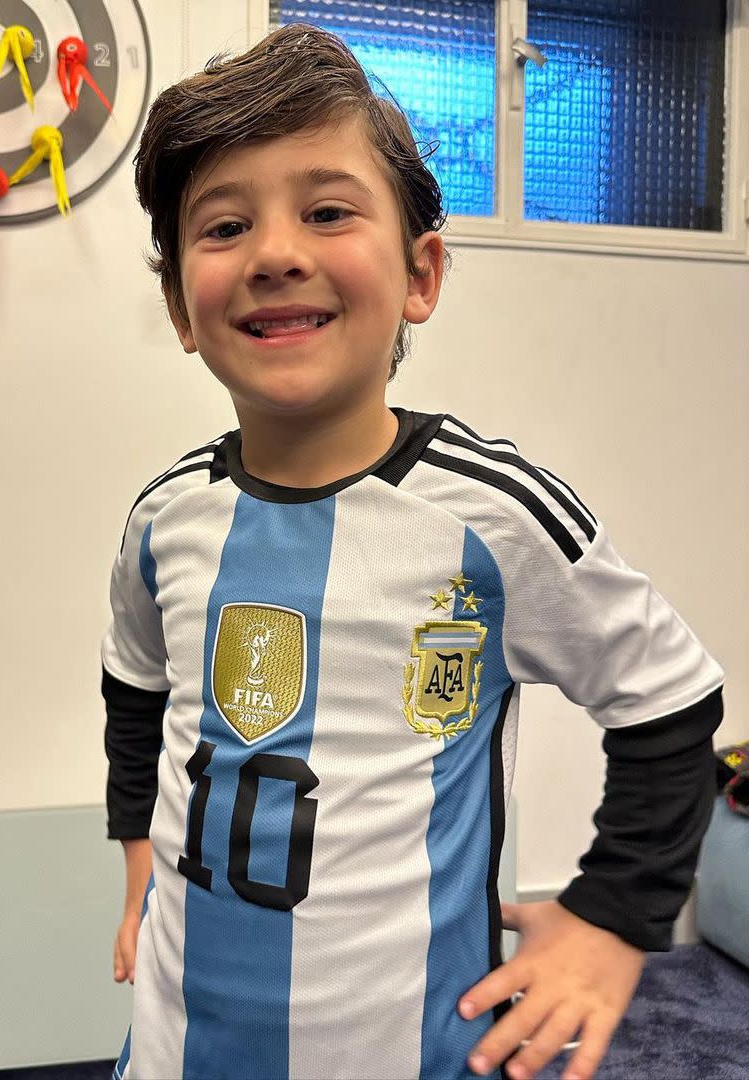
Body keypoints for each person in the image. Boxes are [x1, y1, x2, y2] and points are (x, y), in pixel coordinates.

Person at [101, 22, 725, 1080]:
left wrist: (616, 917)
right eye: (223, 226)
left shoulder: (492, 516)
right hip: (175, 1049)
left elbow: (669, 701)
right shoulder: (164, 519)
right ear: (179, 307)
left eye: (329, 210)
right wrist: (136, 874)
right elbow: (134, 691)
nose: (276, 252)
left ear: (421, 273)